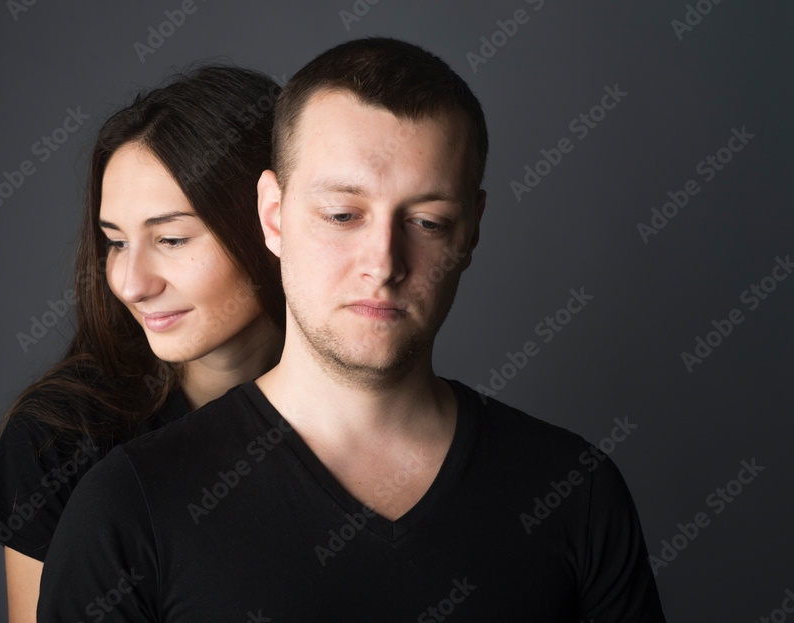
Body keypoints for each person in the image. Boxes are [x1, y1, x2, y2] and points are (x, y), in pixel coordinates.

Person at [38, 38, 666, 622]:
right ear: (273, 216)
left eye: (426, 222)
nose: (383, 264)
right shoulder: (128, 507)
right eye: (342, 215)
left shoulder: (574, 492)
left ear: (471, 229)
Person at [0, 65, 285, 623]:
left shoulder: (361, 418)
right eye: (114, 242)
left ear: (274, 223)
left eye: (171, 239)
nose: (132, 283)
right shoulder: (61, 438)